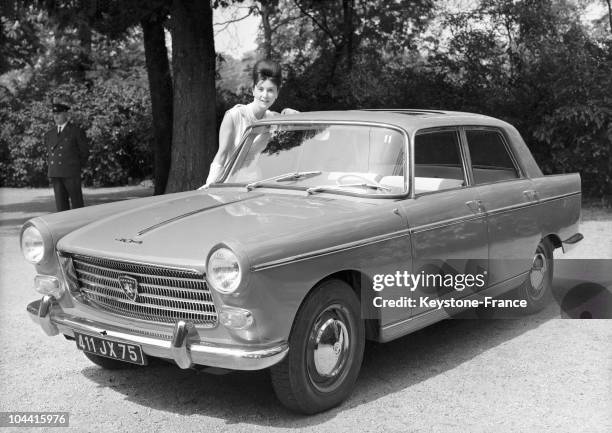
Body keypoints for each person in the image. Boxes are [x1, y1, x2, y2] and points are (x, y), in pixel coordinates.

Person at [205, 59, 297, 184]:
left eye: (270, 90)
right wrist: (210, 186)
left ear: (277, 93)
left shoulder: (273, 118)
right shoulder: (234, 116)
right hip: (228, 183)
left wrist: (293, 115)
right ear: (253, 89)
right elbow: (222, 154)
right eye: (261, 89)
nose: (265, 95)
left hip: (254, 184)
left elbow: (321, 136)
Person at [44, 98, 89, 211]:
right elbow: (48, 154)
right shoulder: (50, 134)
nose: (56, 116)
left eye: (58, 114)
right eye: (54, 114)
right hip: (56, 173)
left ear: (66, 114)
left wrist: (76, 166)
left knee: (77, 204)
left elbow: (85, 152)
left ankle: (80, 225)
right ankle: (64, 227)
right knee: (61, 207)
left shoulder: (76, 131)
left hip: (71, 172)